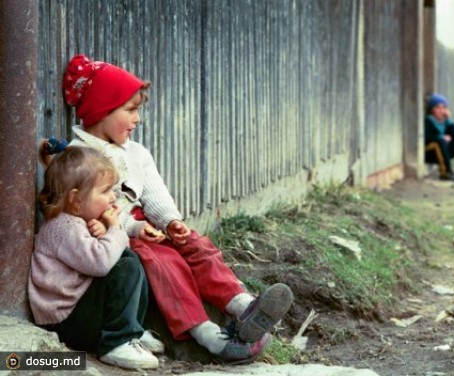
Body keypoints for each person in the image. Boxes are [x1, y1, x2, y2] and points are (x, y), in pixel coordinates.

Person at [61, 54, 294, 363]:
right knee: (164, 262)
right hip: (117, 235)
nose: (137, 119)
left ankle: (242, 305)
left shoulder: (137, 153)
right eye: (130, 110)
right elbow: (92, 213)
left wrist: (171, 221)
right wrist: (133, 228)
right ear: (102, 109)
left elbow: (155, 193)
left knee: (196, 244)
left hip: (148, 225)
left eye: (137, 111)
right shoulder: (79, 156)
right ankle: (207, 334)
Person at [29, 145, 165, 370]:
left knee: (129, 258)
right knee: (126, 266)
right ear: (76, 199)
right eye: (104, 191)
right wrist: (114, 229)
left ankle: (131, 330)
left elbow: (100, 256)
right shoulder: (63, 228)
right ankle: (116, 342)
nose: (112, 198)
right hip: (65, 322)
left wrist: (105, 232)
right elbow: (101, 264)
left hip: (74, 311)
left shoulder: (76, 221)